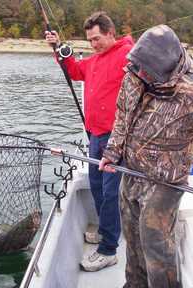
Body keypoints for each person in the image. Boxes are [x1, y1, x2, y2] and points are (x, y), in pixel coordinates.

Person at [99, 25, 193, 287]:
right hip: (133, 171)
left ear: (164, 65)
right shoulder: (135, 73)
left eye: (147, 69)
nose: (140, 72)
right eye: (138, 66)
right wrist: (113, 153)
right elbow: (123, 117)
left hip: (166, 181)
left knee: (154, 241)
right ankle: (134, 284)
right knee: (133, 238)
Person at [45, 11, 134, 272]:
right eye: (90, 40)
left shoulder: (127, 55)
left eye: (97, 38)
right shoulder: (94, 61)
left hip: (115, 138)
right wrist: (57, 47)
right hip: (94, 135)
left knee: (109, 192)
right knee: (96, 186)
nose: (93, 44)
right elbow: (73, 70)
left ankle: (108, 251)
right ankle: (109, 231)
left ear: (110, 33)